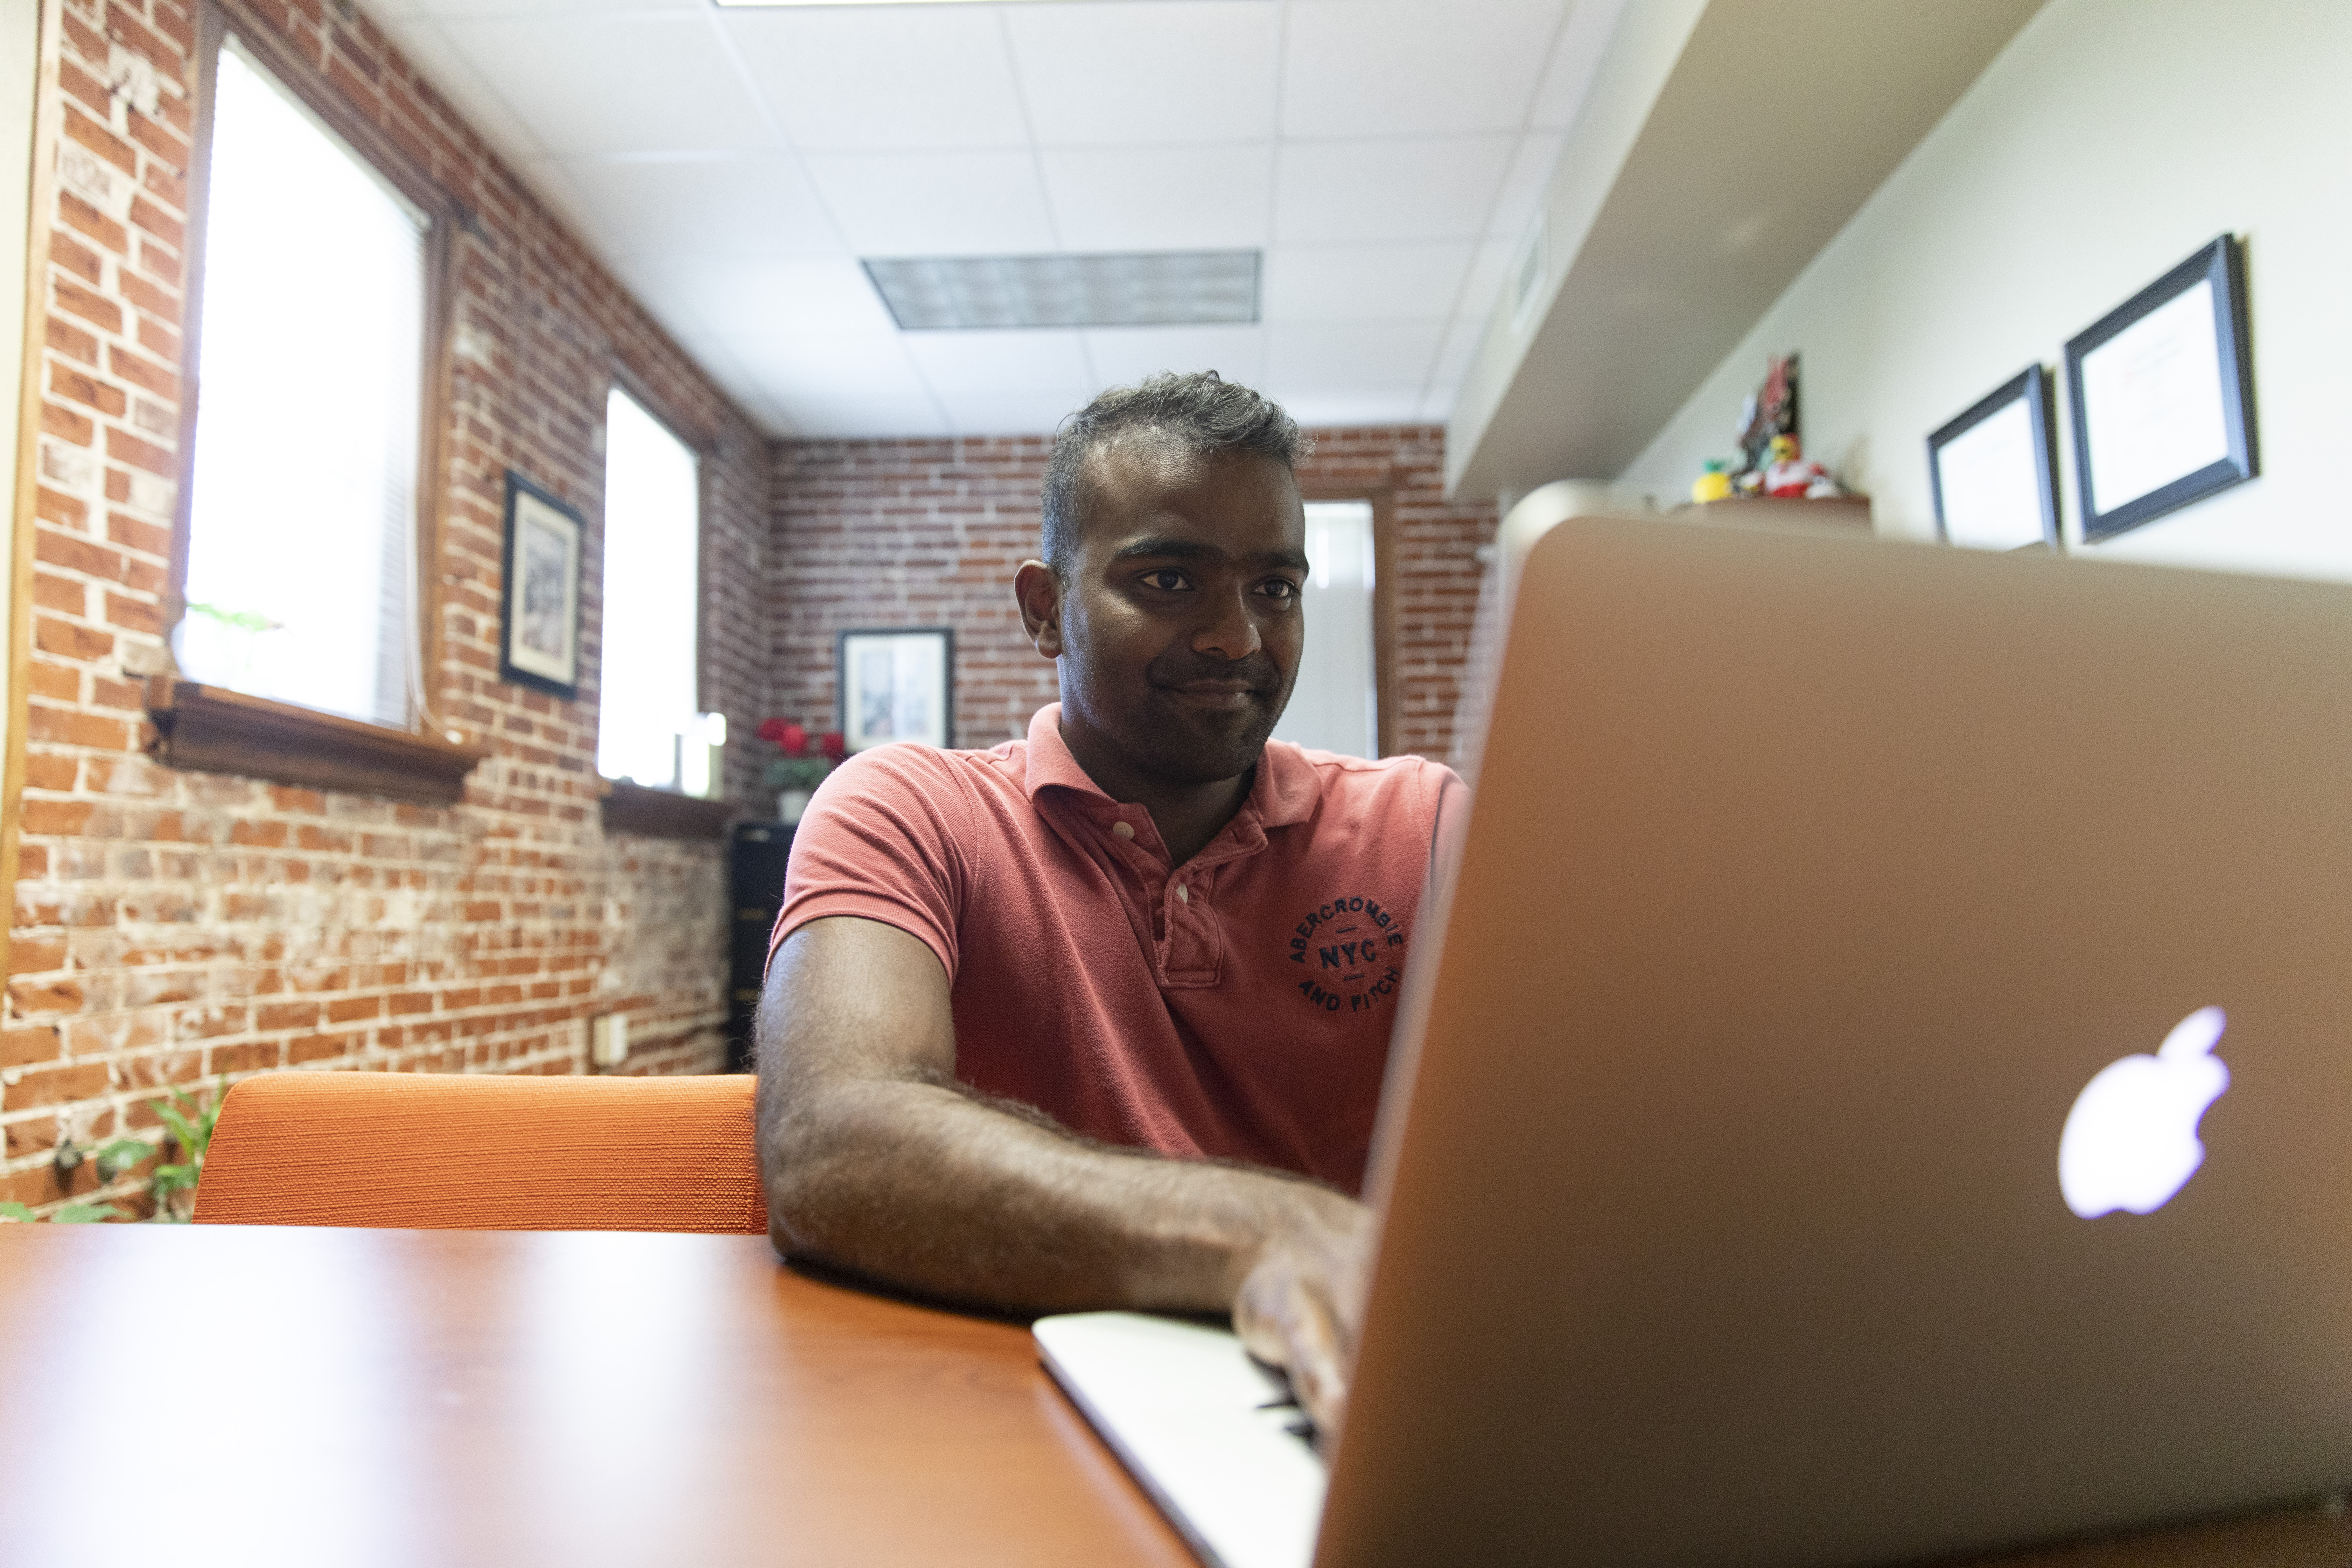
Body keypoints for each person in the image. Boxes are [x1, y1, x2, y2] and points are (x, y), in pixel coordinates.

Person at [755, 371, 1460, 1436]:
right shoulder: (911, 811)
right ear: (1046, 610)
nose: (1238, 638)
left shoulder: (1424, 829)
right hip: (1006, 1417)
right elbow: (831, 1142)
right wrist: (1263, 1232)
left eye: (1275, 588)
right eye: (1170, 580)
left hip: (1349, 1411)